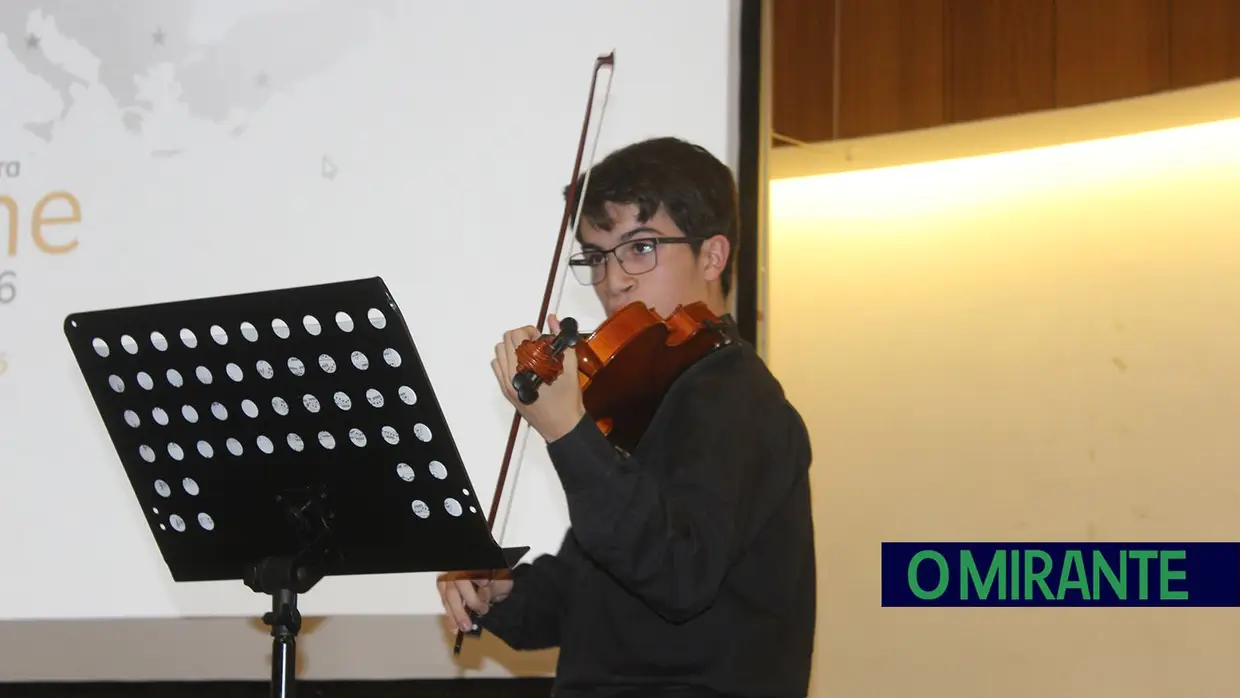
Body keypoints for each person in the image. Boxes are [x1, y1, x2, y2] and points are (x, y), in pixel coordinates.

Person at [438, 137, 816, 697]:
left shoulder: (735, 394)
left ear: (712, 256)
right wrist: (505, 594)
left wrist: (568, 432)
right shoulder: (650, 395)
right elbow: (591, 594)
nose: (612, 281)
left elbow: (676, 574)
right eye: (595, 256)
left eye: (640, 248)